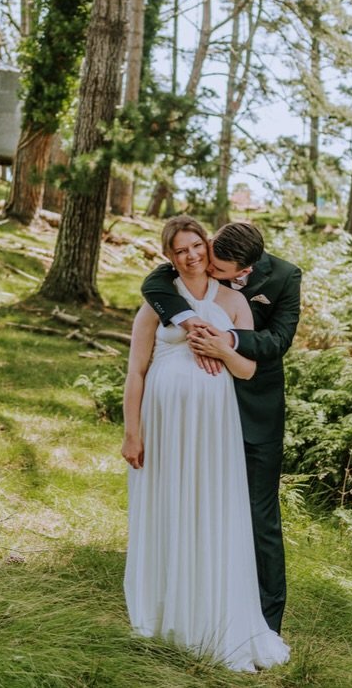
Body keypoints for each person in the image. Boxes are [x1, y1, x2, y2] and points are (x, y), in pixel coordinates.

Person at [122, 216, 290, 672]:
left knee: (212, 508)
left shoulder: (234, 301)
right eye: (181, 250)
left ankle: (215, 614)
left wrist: (221, 348)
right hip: (165, 423)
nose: (192, 255)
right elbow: (135, 370)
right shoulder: (157, 301)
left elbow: (249, 368)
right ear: (170, 256)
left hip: (215, 427)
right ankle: (167, 613)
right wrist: (132, 432)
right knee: (170, 505)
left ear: (207, 246)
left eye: (197, 246)